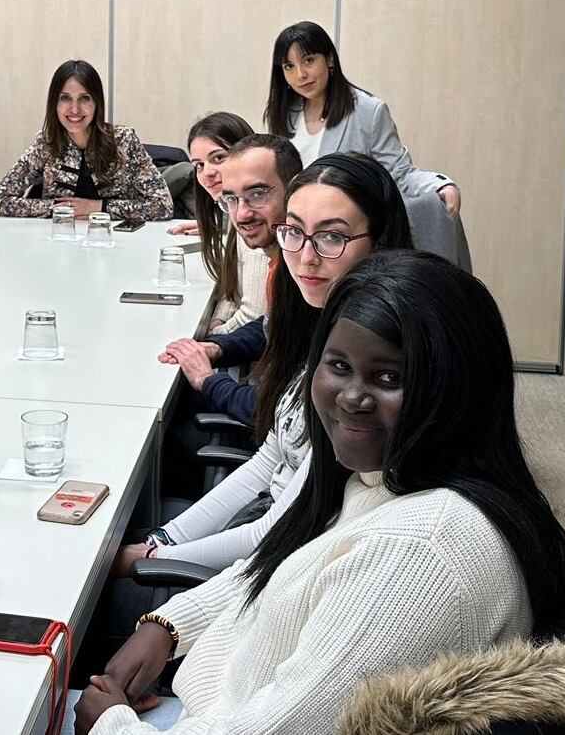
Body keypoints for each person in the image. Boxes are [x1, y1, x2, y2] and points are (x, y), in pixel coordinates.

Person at [75, 249, 565, 734]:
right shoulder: (383, 477)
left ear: (457, 387)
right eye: (338, 366)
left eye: (390, 377)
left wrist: (112, 724)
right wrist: (168, 624)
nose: (352, 398)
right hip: (215, 697)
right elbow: (279, 566)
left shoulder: (417, 551)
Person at [126, 152, 414, 575]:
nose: (306, 257)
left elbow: (286, 525)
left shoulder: (364, 362)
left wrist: (151, 559)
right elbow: (270, 457)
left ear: (379, 240)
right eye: (294, 233)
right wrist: (161, 541)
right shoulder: (316, 322)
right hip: (263, 528)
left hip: (284, 558)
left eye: (331, 237)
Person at [265, 20, 469, 268]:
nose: (301, 74)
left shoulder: (367, 111)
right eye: (290, 66)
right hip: (300, 240)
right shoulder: (284, 114)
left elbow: (400, 171)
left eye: (308, 60)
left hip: (345, 241)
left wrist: (439, 185)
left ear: (329, 60)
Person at [156, 134, 303, 429]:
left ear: (296, 189)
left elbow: (286, 412)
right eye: (231, 199)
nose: (242, 213)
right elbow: (270, 326)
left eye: (257, 194)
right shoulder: (283, 261)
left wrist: (209, 382)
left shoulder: (308, 273)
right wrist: (218, 347)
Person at [0, 60, 174, 221]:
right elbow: (0, 200)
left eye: (84, 98)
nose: (75, 109)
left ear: (97, 103)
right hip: (60, 242)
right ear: (55, 104)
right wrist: (58, 209)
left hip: (114, 241)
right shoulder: (46, 142)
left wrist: (99, 208)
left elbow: (163, 205)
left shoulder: (124, 141)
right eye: (65, 98)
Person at [172, 112, 261, 334]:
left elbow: (254, 316)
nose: (207, 173)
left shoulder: (256, 221)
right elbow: (233, 291)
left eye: (218, 158)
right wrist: (217, 321)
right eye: (199, 165)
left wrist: (211, 338)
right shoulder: (233, 210)